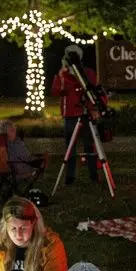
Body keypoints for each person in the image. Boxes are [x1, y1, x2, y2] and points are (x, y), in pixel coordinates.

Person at [50, 45, 103, 186]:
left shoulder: (88, 73)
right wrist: (61, 76)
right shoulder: (63, 75)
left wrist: (94, 109)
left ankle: (93, 175)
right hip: (70, 115)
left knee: (89, 147)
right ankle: (70, 176)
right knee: (70, 148)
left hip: (85, 113)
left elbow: (91, 90)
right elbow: (56, 91)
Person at [0, 119, 42, 187]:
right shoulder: (17, 143)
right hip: (18, 171)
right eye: (12, 130)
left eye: (14, 130)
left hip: (2, 171)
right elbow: (27, 157)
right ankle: (31, 175)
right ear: (5, 134)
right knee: (40, 164)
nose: (15, 132)